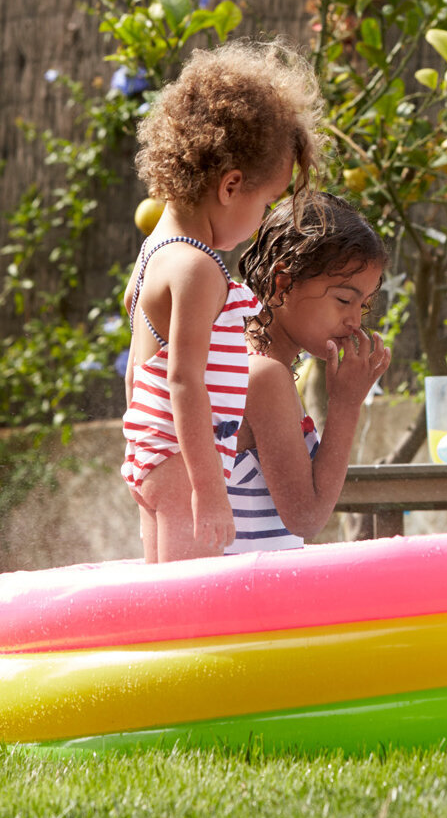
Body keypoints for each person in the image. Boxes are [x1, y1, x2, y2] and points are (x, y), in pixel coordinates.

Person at [121, 41, 323, 563]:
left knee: (165, 603)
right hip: (183, 467)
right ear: (231, 185)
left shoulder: (151, 254)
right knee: (193, 611)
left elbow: (138, 370)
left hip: (154, 456)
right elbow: (184, 380)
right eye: (267, 202)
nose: (264, 217)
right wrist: (208, 489)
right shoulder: (195, 266)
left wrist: (139, 449)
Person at [228, 192, 391, 553]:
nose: (354, 320)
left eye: (362, 306)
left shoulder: (251, 362)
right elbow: (307, 518)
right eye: (344, 300)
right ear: (283, 283)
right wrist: (346, 405)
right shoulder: (265, 376)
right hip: (249, 595)